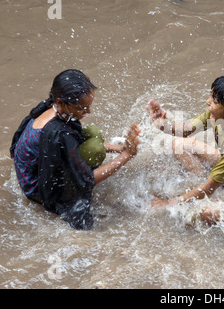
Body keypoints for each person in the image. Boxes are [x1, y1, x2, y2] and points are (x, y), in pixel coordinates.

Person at [10, 69, 140, 230]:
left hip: (38, 167)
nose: (88, 112)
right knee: (95, 150)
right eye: (82, 108)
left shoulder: (53, 109)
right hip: (37, 188)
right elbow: (87, 180)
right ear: (61, 101)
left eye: (89, 106)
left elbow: (73, 140)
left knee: (93, 133)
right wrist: (127, 155)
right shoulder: (59, 134)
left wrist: (120, 149)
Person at [146, 74, 224, 224]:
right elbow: (185, 130)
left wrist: (168, 203)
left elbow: (209, 189)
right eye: (211, 95)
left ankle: (208, 184)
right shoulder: (219, 116)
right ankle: (201, 177)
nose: (208, 101)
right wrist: (162, 124)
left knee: (205, 213)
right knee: (178, 144)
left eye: (215, 100)